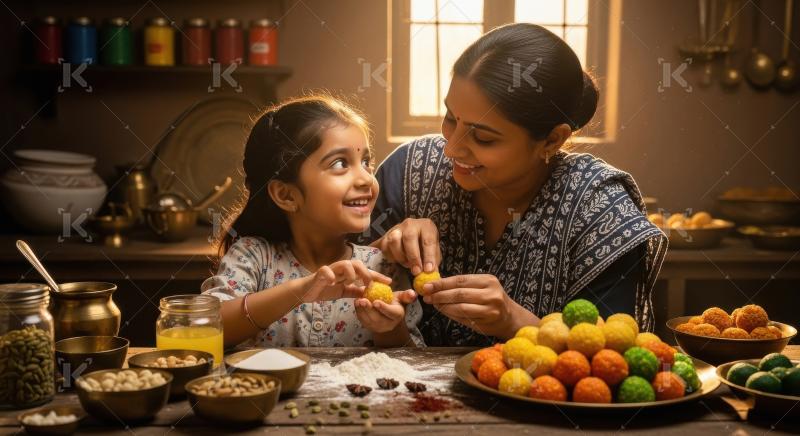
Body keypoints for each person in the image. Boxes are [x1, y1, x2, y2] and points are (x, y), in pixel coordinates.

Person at [362, 24, 667, 346]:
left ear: (552, 139)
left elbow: (613, 363)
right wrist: (384, 250)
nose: (450, 148)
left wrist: (513, 320)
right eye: (451, 118)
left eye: (483, 138)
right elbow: (332, 294)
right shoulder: (408, 172)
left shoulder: (601, 212)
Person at [203, 95, 423, 348]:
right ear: (286, 195)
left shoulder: (383, 267)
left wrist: (388, 328)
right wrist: (300, 290)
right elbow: (208, 329)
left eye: (366, 162)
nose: (366, 179)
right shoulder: (253, 257)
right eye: (340, 163)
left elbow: (412, 361)